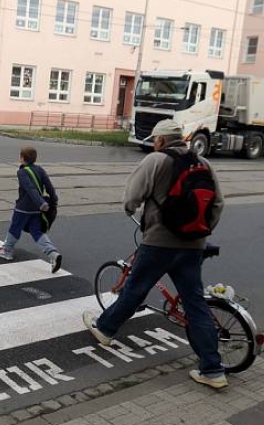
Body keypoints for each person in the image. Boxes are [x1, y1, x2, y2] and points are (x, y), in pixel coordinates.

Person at [82, 119, 227, 389]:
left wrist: (130, 209)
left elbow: (132, 197)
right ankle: (212, 369)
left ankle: (105, 329)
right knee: (195, 304)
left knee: (135, 290)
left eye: (154, 141)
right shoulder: (204, 163)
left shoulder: (156, 160)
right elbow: (218, 204)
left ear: (160, 140)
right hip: (194, 244)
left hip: (159, 242)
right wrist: (200, 233)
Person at [0, 146, 63, 273]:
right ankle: (53, 253)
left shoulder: (21, 172)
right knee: (37, 232)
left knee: (15, 227)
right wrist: (53, 200)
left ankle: (7, 251)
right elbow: (49, 187)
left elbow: (30, 188)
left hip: (23, 208)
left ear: (22, 158)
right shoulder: (40, 170)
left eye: (20, 156)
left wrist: (41, 203)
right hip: (37, 210)